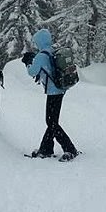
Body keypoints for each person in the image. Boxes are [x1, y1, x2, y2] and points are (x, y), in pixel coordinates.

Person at [22, 28, 79, 161]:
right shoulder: (53, 50)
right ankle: (45, 149)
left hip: (53, 91)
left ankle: (70, 149)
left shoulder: (42, 55)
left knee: (51, 122)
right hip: (60, 89)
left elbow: (32, 72)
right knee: (52, 121)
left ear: (39, 42)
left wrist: (28, 62)